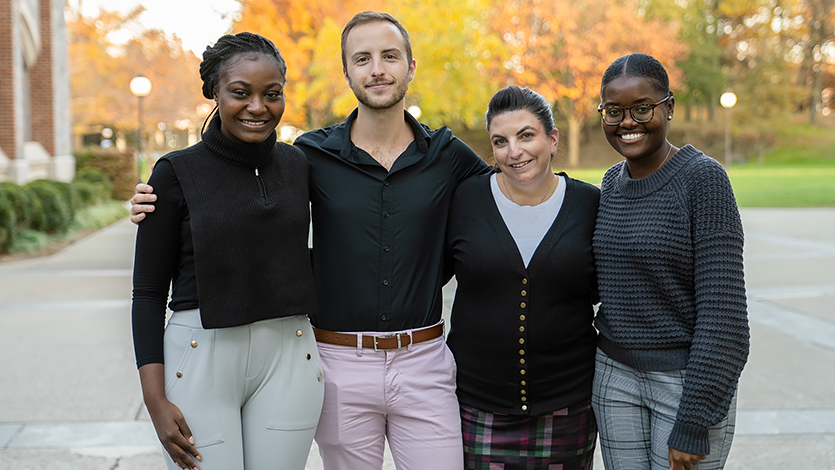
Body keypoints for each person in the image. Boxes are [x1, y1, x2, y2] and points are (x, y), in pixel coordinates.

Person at [131, 12, 490, 470]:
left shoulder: (436, 155)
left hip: (384, 358)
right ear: (346, 72)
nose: (376, 69)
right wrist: (152, 201)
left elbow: (500, 195)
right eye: (362, 58)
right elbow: (153, 284)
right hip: (284, 356)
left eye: (389, 56)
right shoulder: (306, 157)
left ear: (410, 66)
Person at [131, 32, 323, 470]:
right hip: (199, 357)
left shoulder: (299, 166)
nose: (258, 107)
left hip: (290, 356)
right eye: (241, 92)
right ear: (213, 92)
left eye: (272, 94)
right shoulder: (175, 173)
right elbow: (147, 293)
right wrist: (154, 399)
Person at [591, 53, 750, 470]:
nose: (628, 121)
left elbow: (725, 317)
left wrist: (695, 421)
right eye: (614, 111)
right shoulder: (610, 183)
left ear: (670, 107)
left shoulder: (703, 180)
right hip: (614, 378)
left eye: (643, 108)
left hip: (685, 385)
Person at [445, 85, 599, 469]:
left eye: (526, 135)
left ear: (552, 139)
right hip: (478, 407)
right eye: (501, 141)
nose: (514, 152)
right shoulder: (463, 200)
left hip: (567, 408)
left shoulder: (590, 204)